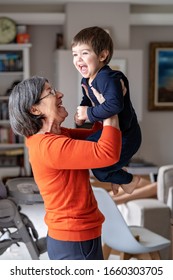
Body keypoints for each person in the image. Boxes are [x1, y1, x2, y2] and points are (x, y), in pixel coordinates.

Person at [8, 76, 122, 260]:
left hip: (76, 237)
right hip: (75, 241)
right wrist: (110, 107)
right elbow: (107, 153)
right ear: (34, 109)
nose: (60, 94)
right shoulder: (50, 147)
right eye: (51, 92)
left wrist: (97, 104)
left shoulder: (58, 136)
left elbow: (99, 137)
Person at [71, 26, 142, 195]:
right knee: (84, 149)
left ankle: (129, 180)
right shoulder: (87, 80)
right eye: (75, 54)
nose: (78, 59)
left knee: (99, 169)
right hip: (114, 132)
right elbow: (87, 99)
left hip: (127, 135)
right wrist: (79, 116)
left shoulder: (108, 78)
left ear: (102, 55)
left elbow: (114, 106)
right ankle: (117, 175)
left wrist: (88, 114)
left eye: (85, 53)